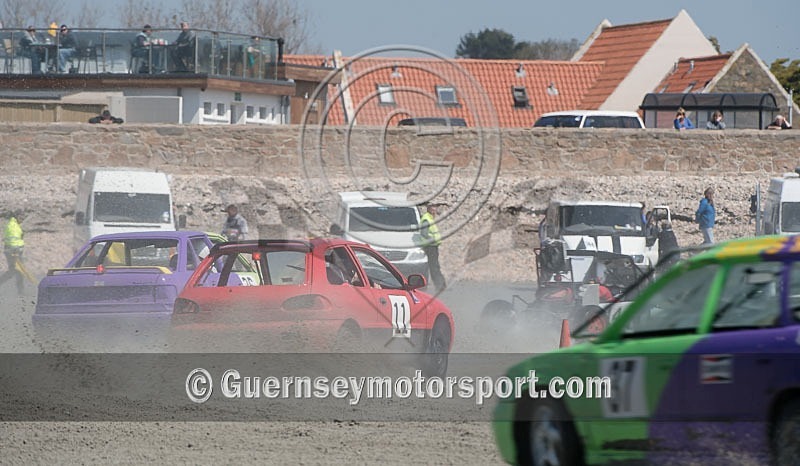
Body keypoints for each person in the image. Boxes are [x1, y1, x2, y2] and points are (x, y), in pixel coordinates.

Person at [420, 204, 446, 292]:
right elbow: (424, 233)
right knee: (434, 266)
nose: (435, 209)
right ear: (429, 209)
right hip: (430, 246)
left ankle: (441, 284)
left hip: (433, 246)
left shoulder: (430, 218)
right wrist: (432, 240)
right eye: (433, 207)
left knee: (435, 266)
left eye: (436, 207)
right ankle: (439, 285)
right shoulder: (426, 219)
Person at [0, 216, 26, 295]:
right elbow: (14, 241)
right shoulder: (14, 227)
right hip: (14, 251)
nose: (22, 220)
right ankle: (20, 291)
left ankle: (20, 291)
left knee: (17, 270)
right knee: (16, 270)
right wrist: (16, 251)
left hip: (12, 250)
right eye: (21, 218)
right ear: (18, 217)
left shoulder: (12, 225)